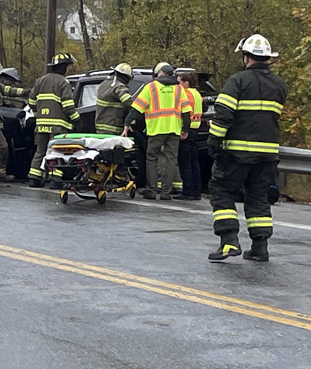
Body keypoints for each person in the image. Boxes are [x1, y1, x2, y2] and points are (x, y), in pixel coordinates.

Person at [207, 34, 287, 262]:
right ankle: (260, 248)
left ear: (246, 57)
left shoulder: (238, 81)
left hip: (238, 153)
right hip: (268, 154)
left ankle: (228, 241)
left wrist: (214, 140)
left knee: (222, 190)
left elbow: (223, 115)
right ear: (268, 59)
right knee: (258, 197)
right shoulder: (279, 85)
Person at [123, 62, 191, 200]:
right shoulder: (179, 89)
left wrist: (127, 122)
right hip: (174, 129)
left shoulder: (151, 87)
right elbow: (186, 111)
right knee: (170, 159)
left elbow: (137, 107)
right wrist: (185, 129)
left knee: (151, 158)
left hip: (156, 129)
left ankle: (152, 190)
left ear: (160, 73)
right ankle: (166, 193)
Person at [27, 53, 79, 188]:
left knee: (40, 151)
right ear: (63, 67)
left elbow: (31, 101)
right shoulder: (64, 82)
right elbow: (68, 106)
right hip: (58, 127)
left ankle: (34, 177)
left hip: (41, 125)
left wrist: (39, 114)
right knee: (57, 152)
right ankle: (55, 180)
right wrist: (76, 119)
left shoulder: (40, 81)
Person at [175, 71, 203, 201]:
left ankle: (188, 191)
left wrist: (183, 129)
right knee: (194, 161)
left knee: (184, 161)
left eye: (179, 82)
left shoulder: (186, 94)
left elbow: (185, 112)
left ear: (186, 83)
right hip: (196, 129)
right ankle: (196, 190)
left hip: (187, 129)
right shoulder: (197, 94)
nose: (178, 85)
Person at [95, 63, 133, 135]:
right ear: (126, 77)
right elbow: (128, 102)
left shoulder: (103, 84)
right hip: (113, 127)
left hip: (100, 127)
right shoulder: (119, 86)